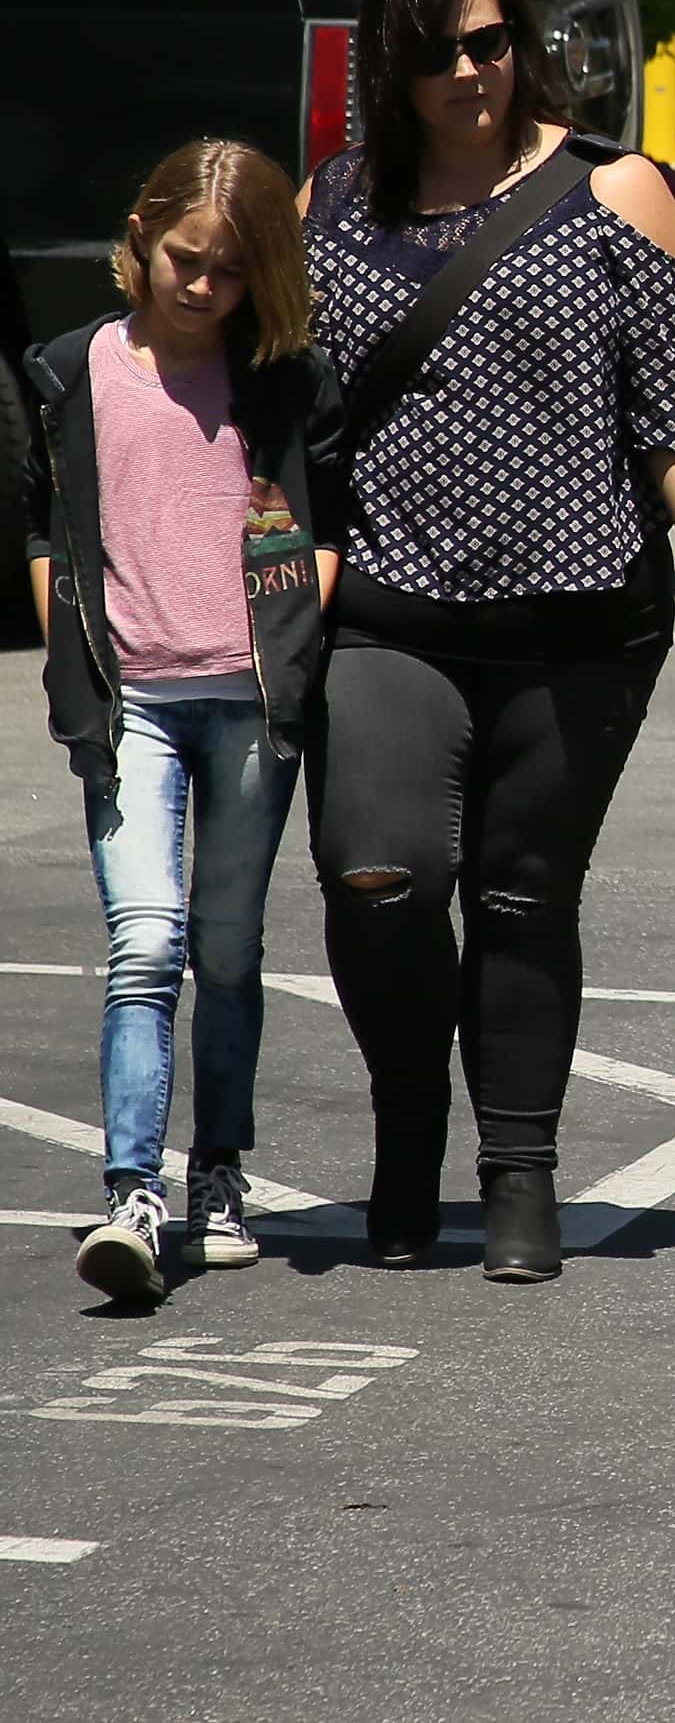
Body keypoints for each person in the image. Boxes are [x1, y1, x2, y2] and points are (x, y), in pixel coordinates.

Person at [299, 0, 675, 1284]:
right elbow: (294, 431)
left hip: (581, 615)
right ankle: (407, 1117)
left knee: (524, 895)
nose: (472, 73)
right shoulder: (333, 210)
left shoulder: (618, 192)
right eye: (439, 53)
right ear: (394, 61)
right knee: (382, 875)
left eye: (492, 42)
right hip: (388, 608)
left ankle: (520, 1167)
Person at [22, 141, 343, 1306]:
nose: (201, 286)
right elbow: (48, 531)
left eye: (228, 270)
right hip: (135, 704)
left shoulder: (281, 383)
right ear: (141, 237)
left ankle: (218, 1170)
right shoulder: (71, 371)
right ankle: (132, 1190)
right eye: (184, 260)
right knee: (146, 943)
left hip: (251, 696)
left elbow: (322, 522)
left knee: (229, 946)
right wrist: (78, 669)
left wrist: (295, 642)